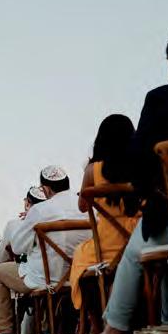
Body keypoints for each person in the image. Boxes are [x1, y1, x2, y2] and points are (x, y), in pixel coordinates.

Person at [101, 30, 168, 334]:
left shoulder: (161, 99)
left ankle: (113, 328)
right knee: (166, 238)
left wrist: (145, 189)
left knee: (142, 246)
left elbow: (139, 162)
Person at [0, 166, 89, 334]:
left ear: (46, 189)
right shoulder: (85, 205)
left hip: (46, 279)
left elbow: (18, 247)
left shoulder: (40, 210)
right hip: (82, 274)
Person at [70, 115, 140, 319]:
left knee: (81, 259)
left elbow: (83, 206)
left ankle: (95, 322)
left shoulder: (93, 170)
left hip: (107, 243)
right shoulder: (141, 166)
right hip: (138, 238)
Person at [0, 186, 47, 263]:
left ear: (27, 204)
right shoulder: (55, 221)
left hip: (29, 268)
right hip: (57, 268)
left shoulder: (13, 225)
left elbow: (0, 257)